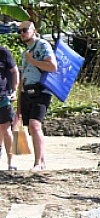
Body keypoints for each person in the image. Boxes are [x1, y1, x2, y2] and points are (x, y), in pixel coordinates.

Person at [16, 21, 57, 171]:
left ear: (34, 30)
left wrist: (32, 61)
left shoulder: (43, 45)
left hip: (42, 91)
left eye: (24, 30)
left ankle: (38, 163)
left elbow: (52, 66)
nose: (22, 33)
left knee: (35, 125)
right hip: (27, 91)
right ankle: (42, 161)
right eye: (19, 31)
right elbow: (22, 78)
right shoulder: (24, 52)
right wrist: (19, 104)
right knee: (31, 129)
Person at [0, 43, 19, 170]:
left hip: (3, 96)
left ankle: (10, 161)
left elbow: (15, 71)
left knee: (6, 130)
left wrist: (14, 90)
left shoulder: (3, 52)